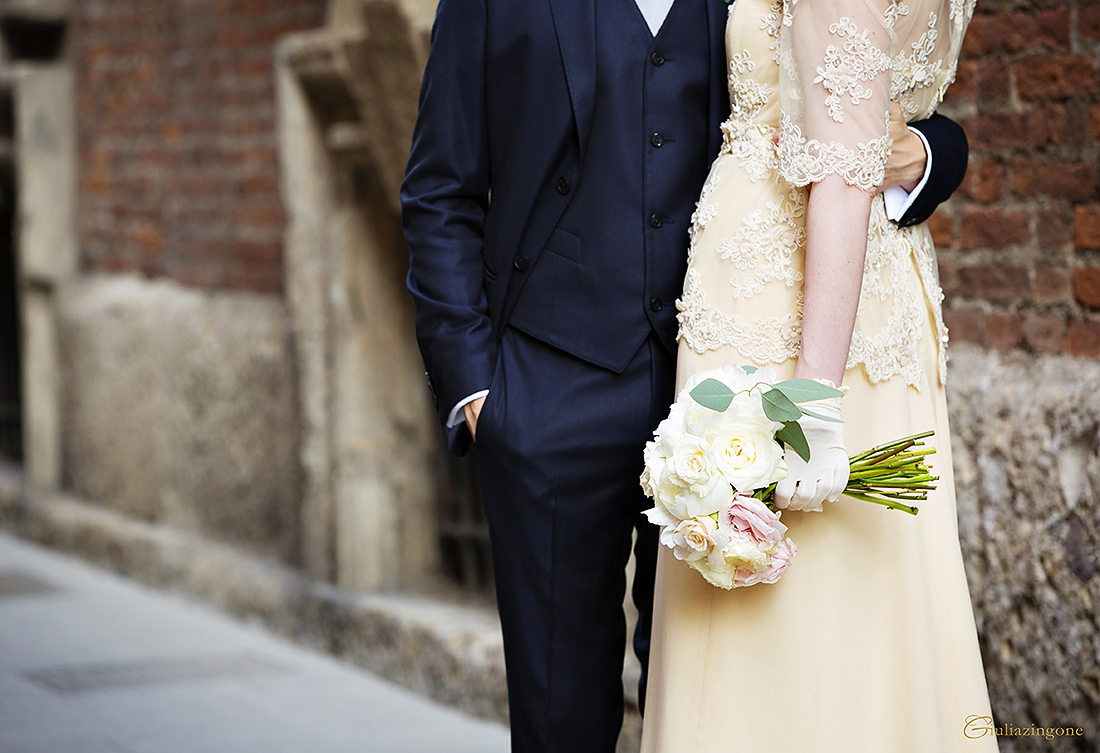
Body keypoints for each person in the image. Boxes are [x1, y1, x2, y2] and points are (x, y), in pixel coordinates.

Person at [401, 1, 970, 751]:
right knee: (559, 719)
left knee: (709, 706)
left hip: (729, 392)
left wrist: (927, 152)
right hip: (549, 390)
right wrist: (477, 390)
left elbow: (855, 82)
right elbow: (439, 189)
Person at [639, 0, 998, 751]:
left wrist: (810, 400)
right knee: (858, 612)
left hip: (789, 314)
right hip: (873, 293)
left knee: (786, 627)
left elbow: (840, 172)